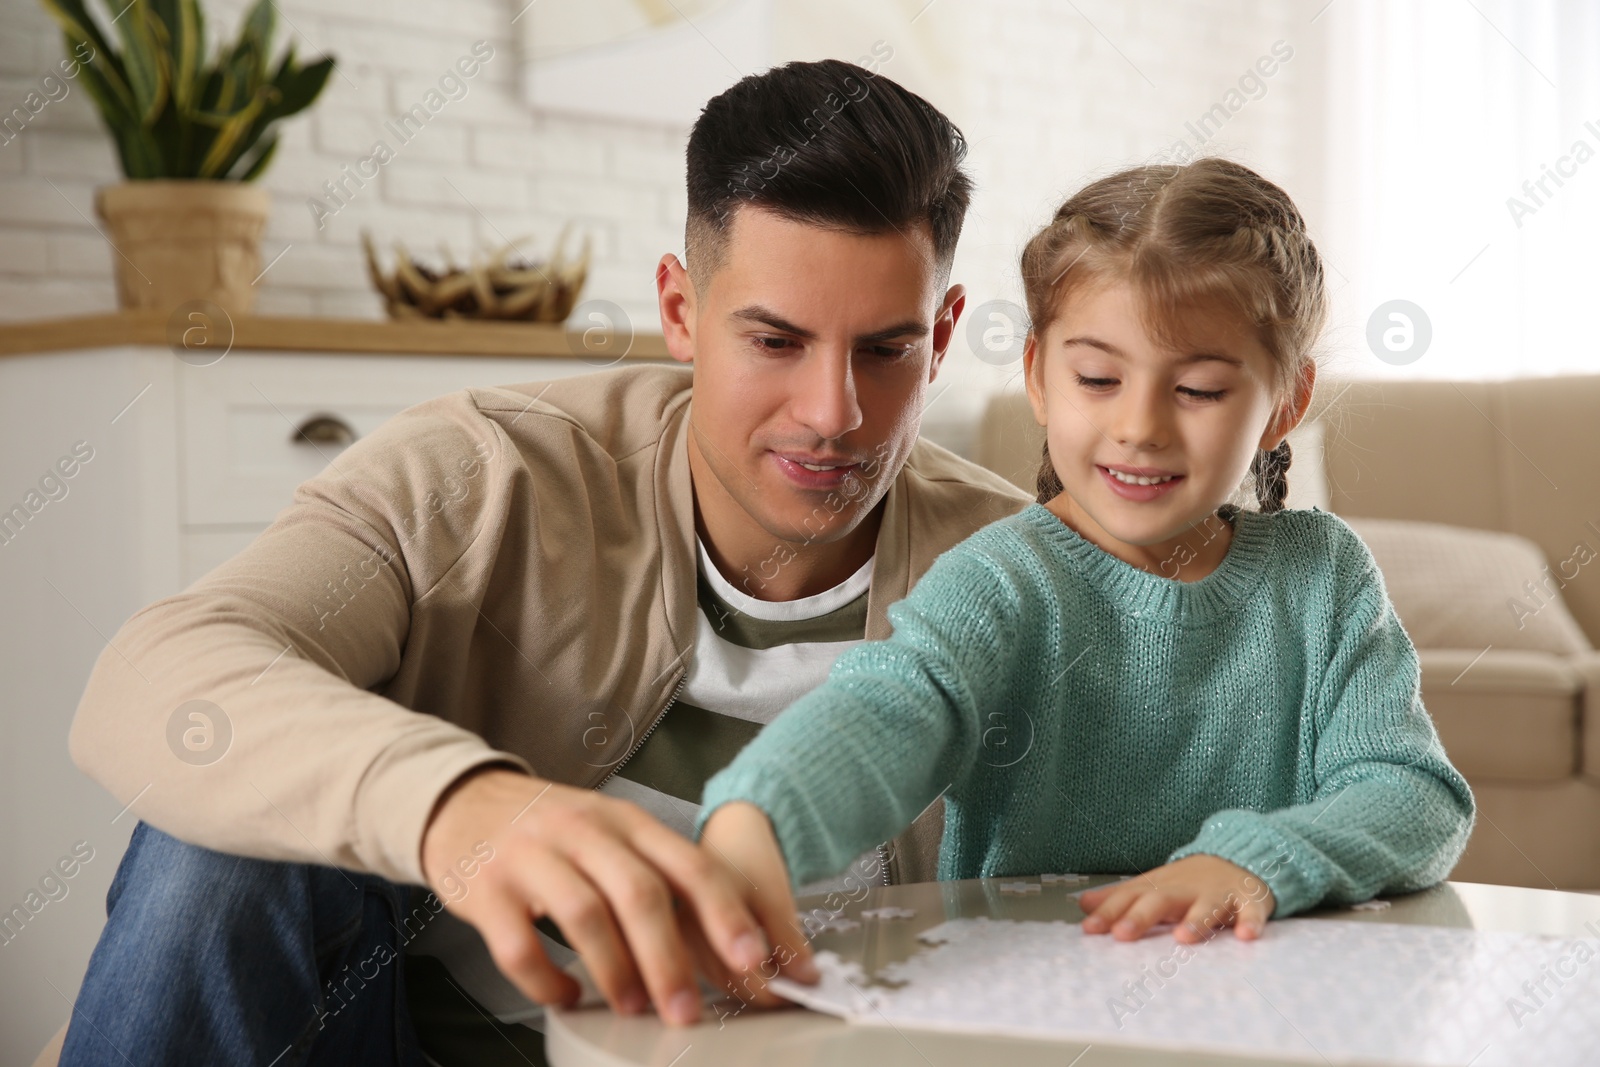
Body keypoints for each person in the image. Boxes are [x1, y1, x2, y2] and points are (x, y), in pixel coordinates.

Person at [57, 59, 1030, 1066]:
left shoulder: (1025, 571)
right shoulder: (479, 475)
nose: (833, 413)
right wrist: (457, 802)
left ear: (945, 334)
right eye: (775, 340)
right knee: (221, 841)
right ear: (681, 311)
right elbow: (158, 675)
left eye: (884, 350)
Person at [698, 158, 1477, 949]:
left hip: (1266, 1000)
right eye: (1099, 377)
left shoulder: (1324, 576)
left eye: (1199, 390)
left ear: (1285, 403)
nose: (1141, 425)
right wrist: (759, 815)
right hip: (1038, 997)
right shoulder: (1000, 579)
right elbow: (890, 712)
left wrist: (1252, 863)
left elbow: (1413, 794)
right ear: (1038, 375)